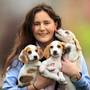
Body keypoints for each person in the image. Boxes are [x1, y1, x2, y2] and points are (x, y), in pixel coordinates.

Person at [2, 3, 90, 90]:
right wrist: (35, 86)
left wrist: (76, 74)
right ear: (30, 28)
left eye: (46, 23)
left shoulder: (71, 53)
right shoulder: (23, 56)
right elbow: (7, 88)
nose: (42, 28)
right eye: (36, 24)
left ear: (55, 25)